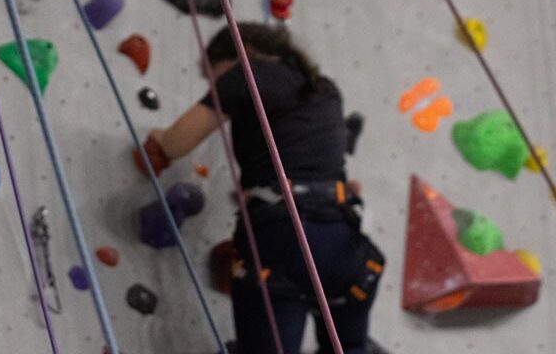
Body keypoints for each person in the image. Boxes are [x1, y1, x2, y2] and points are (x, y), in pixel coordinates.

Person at [148, 23, 383, 354]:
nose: (214, 85)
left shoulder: (246, 73)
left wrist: (159, 138)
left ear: (237, 54)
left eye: (213, 75)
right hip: (343, 241)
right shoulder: (324, 89)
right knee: (348, 348)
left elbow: (176, 143)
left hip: (282, 239)